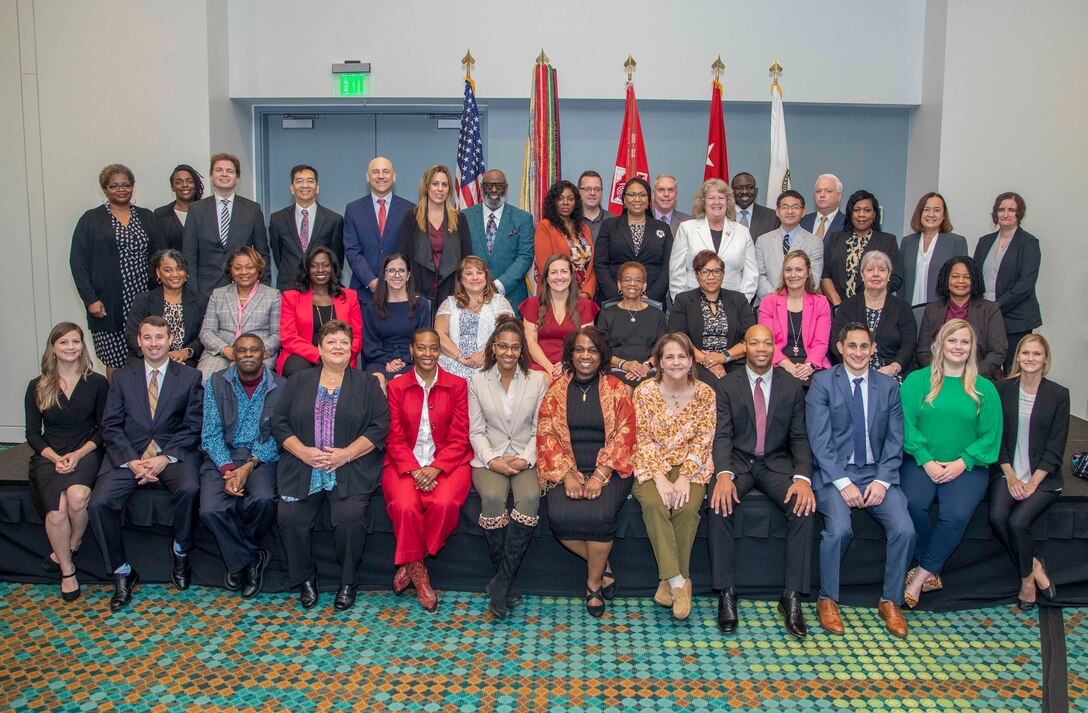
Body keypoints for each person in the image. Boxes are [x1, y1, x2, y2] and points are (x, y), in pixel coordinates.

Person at [87, 316, 203, 610]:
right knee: (98, 503)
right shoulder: (123, 377)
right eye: (148, 338)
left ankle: (181, 550)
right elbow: (111, 426)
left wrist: (164, 458)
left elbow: (192, 426)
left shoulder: (189, 377)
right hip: (130, 454)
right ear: (139, 341)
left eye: (159, 337)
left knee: (189, 488)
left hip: (171, 453)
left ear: (169, 340)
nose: (154, 344)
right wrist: (132, 461)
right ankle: (122, 571)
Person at [272, 320, 389, 611]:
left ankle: (348, 581)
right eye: (331, 342)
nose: (338, 347)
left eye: (344, 342)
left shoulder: (366, 383)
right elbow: (279, 422)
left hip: (350, 467)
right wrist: (303, 452)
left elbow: (380, 426)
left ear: (352, 348)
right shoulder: (298, 381)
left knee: (350, 517)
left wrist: (346, 454)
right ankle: (305, 579)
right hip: (304, 467)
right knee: (289, 516)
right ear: (319, 350)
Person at [708, 325, 815, 639]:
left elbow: (800, 437)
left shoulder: (792, 387)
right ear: (746, 346)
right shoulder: (726, 385)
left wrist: (803, 478)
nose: (762, 348)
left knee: (804, 506)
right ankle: (726, 593)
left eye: (767, 343)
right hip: (739, 461)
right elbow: (722, 436)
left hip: (774, 462)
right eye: (754, 342)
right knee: (718, 505)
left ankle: (792, 596)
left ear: (774, 347)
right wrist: (724, 474)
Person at [807, 323, 914, 638]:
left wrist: (882, 480)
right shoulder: (823, 383)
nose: (857, 353)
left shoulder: (889, 387)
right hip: (834, 474)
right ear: (840, 348)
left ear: (873, 349)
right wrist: (842, 482)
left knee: (906, 531)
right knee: (839, 530)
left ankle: (891, 601)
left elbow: (896, 441)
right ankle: (827, 599)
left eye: (863, 347)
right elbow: (819, 440)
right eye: (851, 346)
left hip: (876, 473)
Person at [536, 325, 636, 618]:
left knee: (601, 515)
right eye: (579, 349)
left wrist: (600, 474)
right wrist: (567, 473)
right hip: (566, 464)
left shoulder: (616, 389)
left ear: (602, 354)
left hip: (609, 469)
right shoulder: (556, 390)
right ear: (570, 354)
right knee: (559, 516)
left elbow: (626, 433)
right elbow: (545, 432)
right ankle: (603, 566)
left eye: (592, 350)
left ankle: (592, 584)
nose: (585, 355)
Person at [900, 319, 1001, 608]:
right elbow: (906, 424)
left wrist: (963, 461)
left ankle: (921, 575)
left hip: (967, 466)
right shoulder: (917, 381)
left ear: (972, 348)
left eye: (964, 342)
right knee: (911, 503)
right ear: (940, 344)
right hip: (922, 461)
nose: (958, 347)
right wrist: (926, 460)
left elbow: (990, 435)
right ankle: (931, 563)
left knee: (955, 514)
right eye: (952, 340)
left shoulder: (984, 389)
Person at [382, 329, 473, 612]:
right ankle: (419, 574)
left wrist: (436, 467)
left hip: (448, 462)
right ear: (411, 351)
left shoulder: (457, 385)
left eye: (433, 348)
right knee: (404, 505)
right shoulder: (396, 387)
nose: (428, 354)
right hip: (403, 462)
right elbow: (394, 438)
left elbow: (460, 436)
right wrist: (412, 468)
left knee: (445, 503)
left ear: (439, 352)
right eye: (421, 348)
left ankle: (410, 563)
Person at [467, 317, 549, 618]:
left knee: (529, 498)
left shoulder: (538, 380)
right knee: (491, 500)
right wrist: (492, 460)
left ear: (522, 350)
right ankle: (505, 582)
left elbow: (541, 428)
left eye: (515, 347)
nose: (509, 352)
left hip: (526, 455)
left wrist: (525, 459)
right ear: (493, 347)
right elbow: (476, 430)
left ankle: (501, 584)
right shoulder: (477, 380)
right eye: (503, 346)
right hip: (489, 456)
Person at [632, 333, 715, 620]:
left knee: (688, 505)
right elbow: (641, 438)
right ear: (659, 362)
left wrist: (684, 478)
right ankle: (680, 582)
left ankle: (666, 584)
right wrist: (660, 478)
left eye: (682, 356)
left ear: (692, 360)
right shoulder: (643, 392)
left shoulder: (706, 393)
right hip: (651, 463)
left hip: (691, 463)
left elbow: (704, 440)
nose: (676, 362)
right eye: (669, 356)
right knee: (655, 504)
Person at [25, 323, 109, 602]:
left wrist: (77, 455)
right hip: (50, 455)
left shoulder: (97, 382)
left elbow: (103, 429)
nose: (71, 347)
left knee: (76, 497)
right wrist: (55, 457)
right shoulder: (37, 386)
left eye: (76, 342)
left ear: (83, 347)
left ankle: (72, 543)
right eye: (64, 343)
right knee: (56, 511)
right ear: (53, 348)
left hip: (85, 451)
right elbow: (32, 434)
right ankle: (67, 570)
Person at [199, 333, 283, 600]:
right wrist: (226, 469)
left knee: (263, 500)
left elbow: (281, 436)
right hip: (222, 455)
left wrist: (248, 466)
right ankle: (248, 559)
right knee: (210, 509)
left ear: (265, 354)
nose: (248, 355)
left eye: (254, 350)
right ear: (233, 354)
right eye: (242, 350)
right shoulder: (216, 382)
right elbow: (210, 433)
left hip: (261, 456)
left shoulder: (282, 386)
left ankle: (237, 558)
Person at [989, 334, 1069, 611]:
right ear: (1018, 357)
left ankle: (1026, 583)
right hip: (1007, 471)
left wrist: (1032, 483)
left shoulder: (1059, 394)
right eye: (1025, 353)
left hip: (1043, 478)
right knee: (998, 516)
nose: (1030, 359)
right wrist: (1011, 477)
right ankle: (1034, 565)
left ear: (1045, 359)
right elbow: (996, 438)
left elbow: (1055, 448)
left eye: (1036, 354)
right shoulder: (1002, 389)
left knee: (1018, 522)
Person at [69, 163, 166, 376]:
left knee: (149, 355)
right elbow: (78, 261)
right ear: (105, 189)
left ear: (133, 186)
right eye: (114, 186)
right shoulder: (91, 220)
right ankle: (117, 408)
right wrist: (90, 299)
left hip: (145, 299)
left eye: (126, 185)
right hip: (108, 304)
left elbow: (162, 256)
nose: (121, 189)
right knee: (115, 360)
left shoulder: (147, 217)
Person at [182, 153, 271, 297]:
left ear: (237, 178)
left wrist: (264, 289)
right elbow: (189, 255)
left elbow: (262, 254)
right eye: (219, 170)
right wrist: (192, 292)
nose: (224, 174)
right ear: (211, 176)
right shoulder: (196, 209)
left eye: (230, 171)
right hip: (205, 291)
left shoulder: (252, 209)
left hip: (243, 288)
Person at [973, 192, 1042, 373]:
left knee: (1013, 370)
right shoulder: (985, 241)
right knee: (984, 369)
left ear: (1019, 214)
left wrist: (996, 306)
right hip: (985, 317)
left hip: (1016, 318)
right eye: (1001, 209)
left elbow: (1026, 283)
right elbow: (975, 277)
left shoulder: (1028, 243)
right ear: (995, 213)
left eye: (1011, 210)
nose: (1005, 214)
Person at [667, 250, 755, 386]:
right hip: (697, 363)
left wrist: (723, 357)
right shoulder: (683, 300)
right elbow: (678, 338)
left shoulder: (738, 299)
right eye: (705, 272)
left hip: (733, 361)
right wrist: (706, 360)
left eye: (716, 271)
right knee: (712, 385)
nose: (711, 276)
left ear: (723, 274)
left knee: (738, 385)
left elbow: (750, 338)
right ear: (697, 275)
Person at [830, 251, 917, 382]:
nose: (876, 274)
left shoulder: (902, 307)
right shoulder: (847, 306)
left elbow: (909, 345)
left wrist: (894, 368)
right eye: (870, 269)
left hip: (893, 373)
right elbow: (835, 342)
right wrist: (856, 367)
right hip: (853, 370)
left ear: (889, 275)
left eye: (882, 270)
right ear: (862, 274)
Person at [197, 247, 281, 382]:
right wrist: (226, 350)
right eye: (238, 268)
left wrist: (253, 352)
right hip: (221, 352)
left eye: (250, 267)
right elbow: (206, 331)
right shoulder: (218, 294)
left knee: (248, 381)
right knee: (206, 379)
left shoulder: (273, 295)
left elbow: (278, 334)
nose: (244, 272)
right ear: (231, 271)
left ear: (258, 269)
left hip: (258, 353)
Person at [915, 256, 1006, 380]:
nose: (961, 281)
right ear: (946, 280)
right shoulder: (932, 310)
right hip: (938, 378)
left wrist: (970, 375)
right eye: (955, 276)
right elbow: (922, 351)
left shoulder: (990, 309)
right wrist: (941, 374)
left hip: (978, 378)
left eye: (967, 277)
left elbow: (998, 352)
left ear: (974, 280)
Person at [277, 246, 362, 377]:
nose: (320, 270)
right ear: (306, 269)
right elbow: (288, 337)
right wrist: (320, 354)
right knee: (300, 371)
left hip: (340, 353)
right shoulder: (291, 297)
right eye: (314, 266)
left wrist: (340, 352)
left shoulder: (349, 297)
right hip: (302, 354)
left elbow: (357, 337)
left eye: (326, 265)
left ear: (333, 268)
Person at [397, 164, 472, 310]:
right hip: (418, 291)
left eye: (444, 184)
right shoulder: (412, 217)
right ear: (426, 187)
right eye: (435, 184)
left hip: (451, 291)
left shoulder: (459, 219)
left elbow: (466, 258)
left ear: (449, 189)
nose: (440, 189)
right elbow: (402, 256)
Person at [343, 156, 416, 305]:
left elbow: (411, 251)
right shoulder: (353, 209)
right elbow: (352, 251)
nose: (381, 176)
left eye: (386, 172)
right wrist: (370, 280)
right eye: (376, 172)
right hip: (363, 295)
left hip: (399, 293)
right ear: (367, 177)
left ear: (394, 176)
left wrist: (394, 281)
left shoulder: (410, 209)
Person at [670, 179, 757, 301]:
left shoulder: (742, 232)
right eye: (711, 198)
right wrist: (682, 304)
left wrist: (741, 303)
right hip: (693, 303)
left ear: (728, 202)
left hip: (733, 304)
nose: (716, 202)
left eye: (721, 198)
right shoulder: (687, 228)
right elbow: (676, 271)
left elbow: (751, 274)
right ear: (703, 202)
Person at [462, 169, 535, 315]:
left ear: (506, 188)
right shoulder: (464, 217)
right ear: (482, 188)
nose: (494, 190)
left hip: (511, 297)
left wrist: (499, 285)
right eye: (489, 185)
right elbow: (460, 254)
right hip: (472, 297)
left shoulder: (523, 218)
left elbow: (525, 256)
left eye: (499, 186)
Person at [521, 253, 600, 382]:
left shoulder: (585, 305)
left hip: (574, 362)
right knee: (541, 381)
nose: (559, 277)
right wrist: (549, 367)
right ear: (546, 277)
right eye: (553, 272)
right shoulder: (532, 304)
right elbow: (531, 342)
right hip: (539, 363)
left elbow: (585, 343)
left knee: (570, 381)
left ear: (571, 276)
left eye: (564, 271)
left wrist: (566, 363)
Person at [594, 177, 673, 304]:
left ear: (648, 200)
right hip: (615, 300)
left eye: (642, 195)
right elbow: (600, 264)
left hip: (651, 301)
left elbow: (668, 266)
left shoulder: (663, 228)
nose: (637, 199)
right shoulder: (608, 226)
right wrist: (617, 296)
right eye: (632, 194)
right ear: (624, 200)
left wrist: (651, 296)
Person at [757, 250, 832, 383]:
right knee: (788, 387)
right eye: (788, 270)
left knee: (817, 386)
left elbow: (821, 343)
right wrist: (788, 366)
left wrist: (809, 366)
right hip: (778, 363)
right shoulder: (768, 302)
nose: (793, 275)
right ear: (783, 274)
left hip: (812, 364)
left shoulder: (821, 302)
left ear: (808, 272)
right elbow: (767, 343)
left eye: (798, 269)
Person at [267, 164, 345, 292]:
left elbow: (336, 260)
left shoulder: (334, 220)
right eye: (299, 181)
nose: (305, 185)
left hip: (322, 289)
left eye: (310, 181)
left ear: (317, 187)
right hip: (289, 287)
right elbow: (278, 255)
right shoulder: (277, 219)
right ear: (292, 188)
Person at [435, 257, 514, 380]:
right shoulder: (449, 303)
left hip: (491, 360)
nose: (475, 277)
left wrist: (485, 355)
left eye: (479, 272)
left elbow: (508, 334)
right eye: (469, 273)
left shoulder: (500, 303)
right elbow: (439, 335)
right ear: (461, 279)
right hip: (452, 362)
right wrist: (460, 357)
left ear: (486, 277)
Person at [125, 249, 206, 368]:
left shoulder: (200, 300)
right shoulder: (143, 300)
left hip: (184, 359)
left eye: (179, 269)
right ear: (158, 273)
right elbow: (131, 335)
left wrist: (185, 352)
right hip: (147, 357)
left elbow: (203, 336)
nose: (175, 274)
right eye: (168, 270)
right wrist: (156, 354)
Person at [821, 190, 901, 308]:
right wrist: (838, 304)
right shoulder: (835, 238)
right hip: (838, 309)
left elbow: (896, 277)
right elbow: (824, 274)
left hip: (874, 307)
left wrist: (874, 298)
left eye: (867, 210)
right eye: (856, 210)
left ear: (874, 214)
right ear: (850, 213)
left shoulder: (888, 241)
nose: (861, 215)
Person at [362, 253, 432, 383]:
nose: (397, 275)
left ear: (408, 275)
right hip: (380, 361)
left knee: (400, 381)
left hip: (412, 360)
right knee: (377, 380)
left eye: (401, 270)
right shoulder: (372, 307)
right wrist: (387, 361)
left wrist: (404, 361)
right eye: (391, 271)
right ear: (384, 275)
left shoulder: (421, 304)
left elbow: (423, 341)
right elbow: (370, 344)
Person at [597, 262, 667, 388]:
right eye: (627, 280)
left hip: (649, 370)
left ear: (644, 285)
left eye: (638, 280)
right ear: (619, 284)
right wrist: (625, 365)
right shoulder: (606, 314)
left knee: (648, 389)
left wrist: (646, 366)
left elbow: (662, 351)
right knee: (624, 389)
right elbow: (601, 351)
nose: (632, 284)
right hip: (616, 369)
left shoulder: (658, 315)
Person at [897, 192, 968, 317]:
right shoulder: (907, 242)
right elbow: (901, 283)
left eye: (937, 210)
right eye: (926, 210)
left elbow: (961, 282)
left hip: (943, 314)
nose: (931, 214)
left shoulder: (956, 242)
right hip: (909, 312)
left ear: (943, 215)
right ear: (920, 214)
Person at [755, 190, 824, 300]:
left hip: (801, 305)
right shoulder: (763, 241)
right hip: (770, 304)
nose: (790, 211)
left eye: (795, 207)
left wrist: (792, 300)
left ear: (803, 212)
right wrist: (777, 297)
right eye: (785, 207)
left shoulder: (815, 242)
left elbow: (813, 279)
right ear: (777, 211)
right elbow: (759, 276)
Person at [533, 180, 596, 299]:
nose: (565, 203)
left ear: (576, 203)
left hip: (584, 297)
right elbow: (545, 267)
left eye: (570, 199)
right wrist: (568, 295)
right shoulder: (545, 227)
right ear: (553, 202)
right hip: (557, 295)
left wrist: (586, 293)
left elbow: (591, 267)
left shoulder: (584, 227)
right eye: (560, 198)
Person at [154, 164, 204, 252]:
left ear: (196, 185)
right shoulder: (161, 214)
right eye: (178, 182)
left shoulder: (207, 212)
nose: (185, 185)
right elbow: (160, 250)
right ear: (173, 187)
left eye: (189, 181)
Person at [800, 173, 846, 254]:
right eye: (818, 191)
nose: (822, 195)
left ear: (839, 196)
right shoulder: (802, 221)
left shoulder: (847, 223)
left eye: (828, 191)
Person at [730, 172, 780, 239]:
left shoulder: (773, 217)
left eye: (750, 187)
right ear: (731, 192)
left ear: (756, 191)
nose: (744, 192)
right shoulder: (722, 215)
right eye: (739, 188)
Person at [577, 171, 609, 241]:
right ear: (578, 191)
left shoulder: (613, 220)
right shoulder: (569, 220)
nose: (592, 193)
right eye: (587, 189)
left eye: (597, 189)